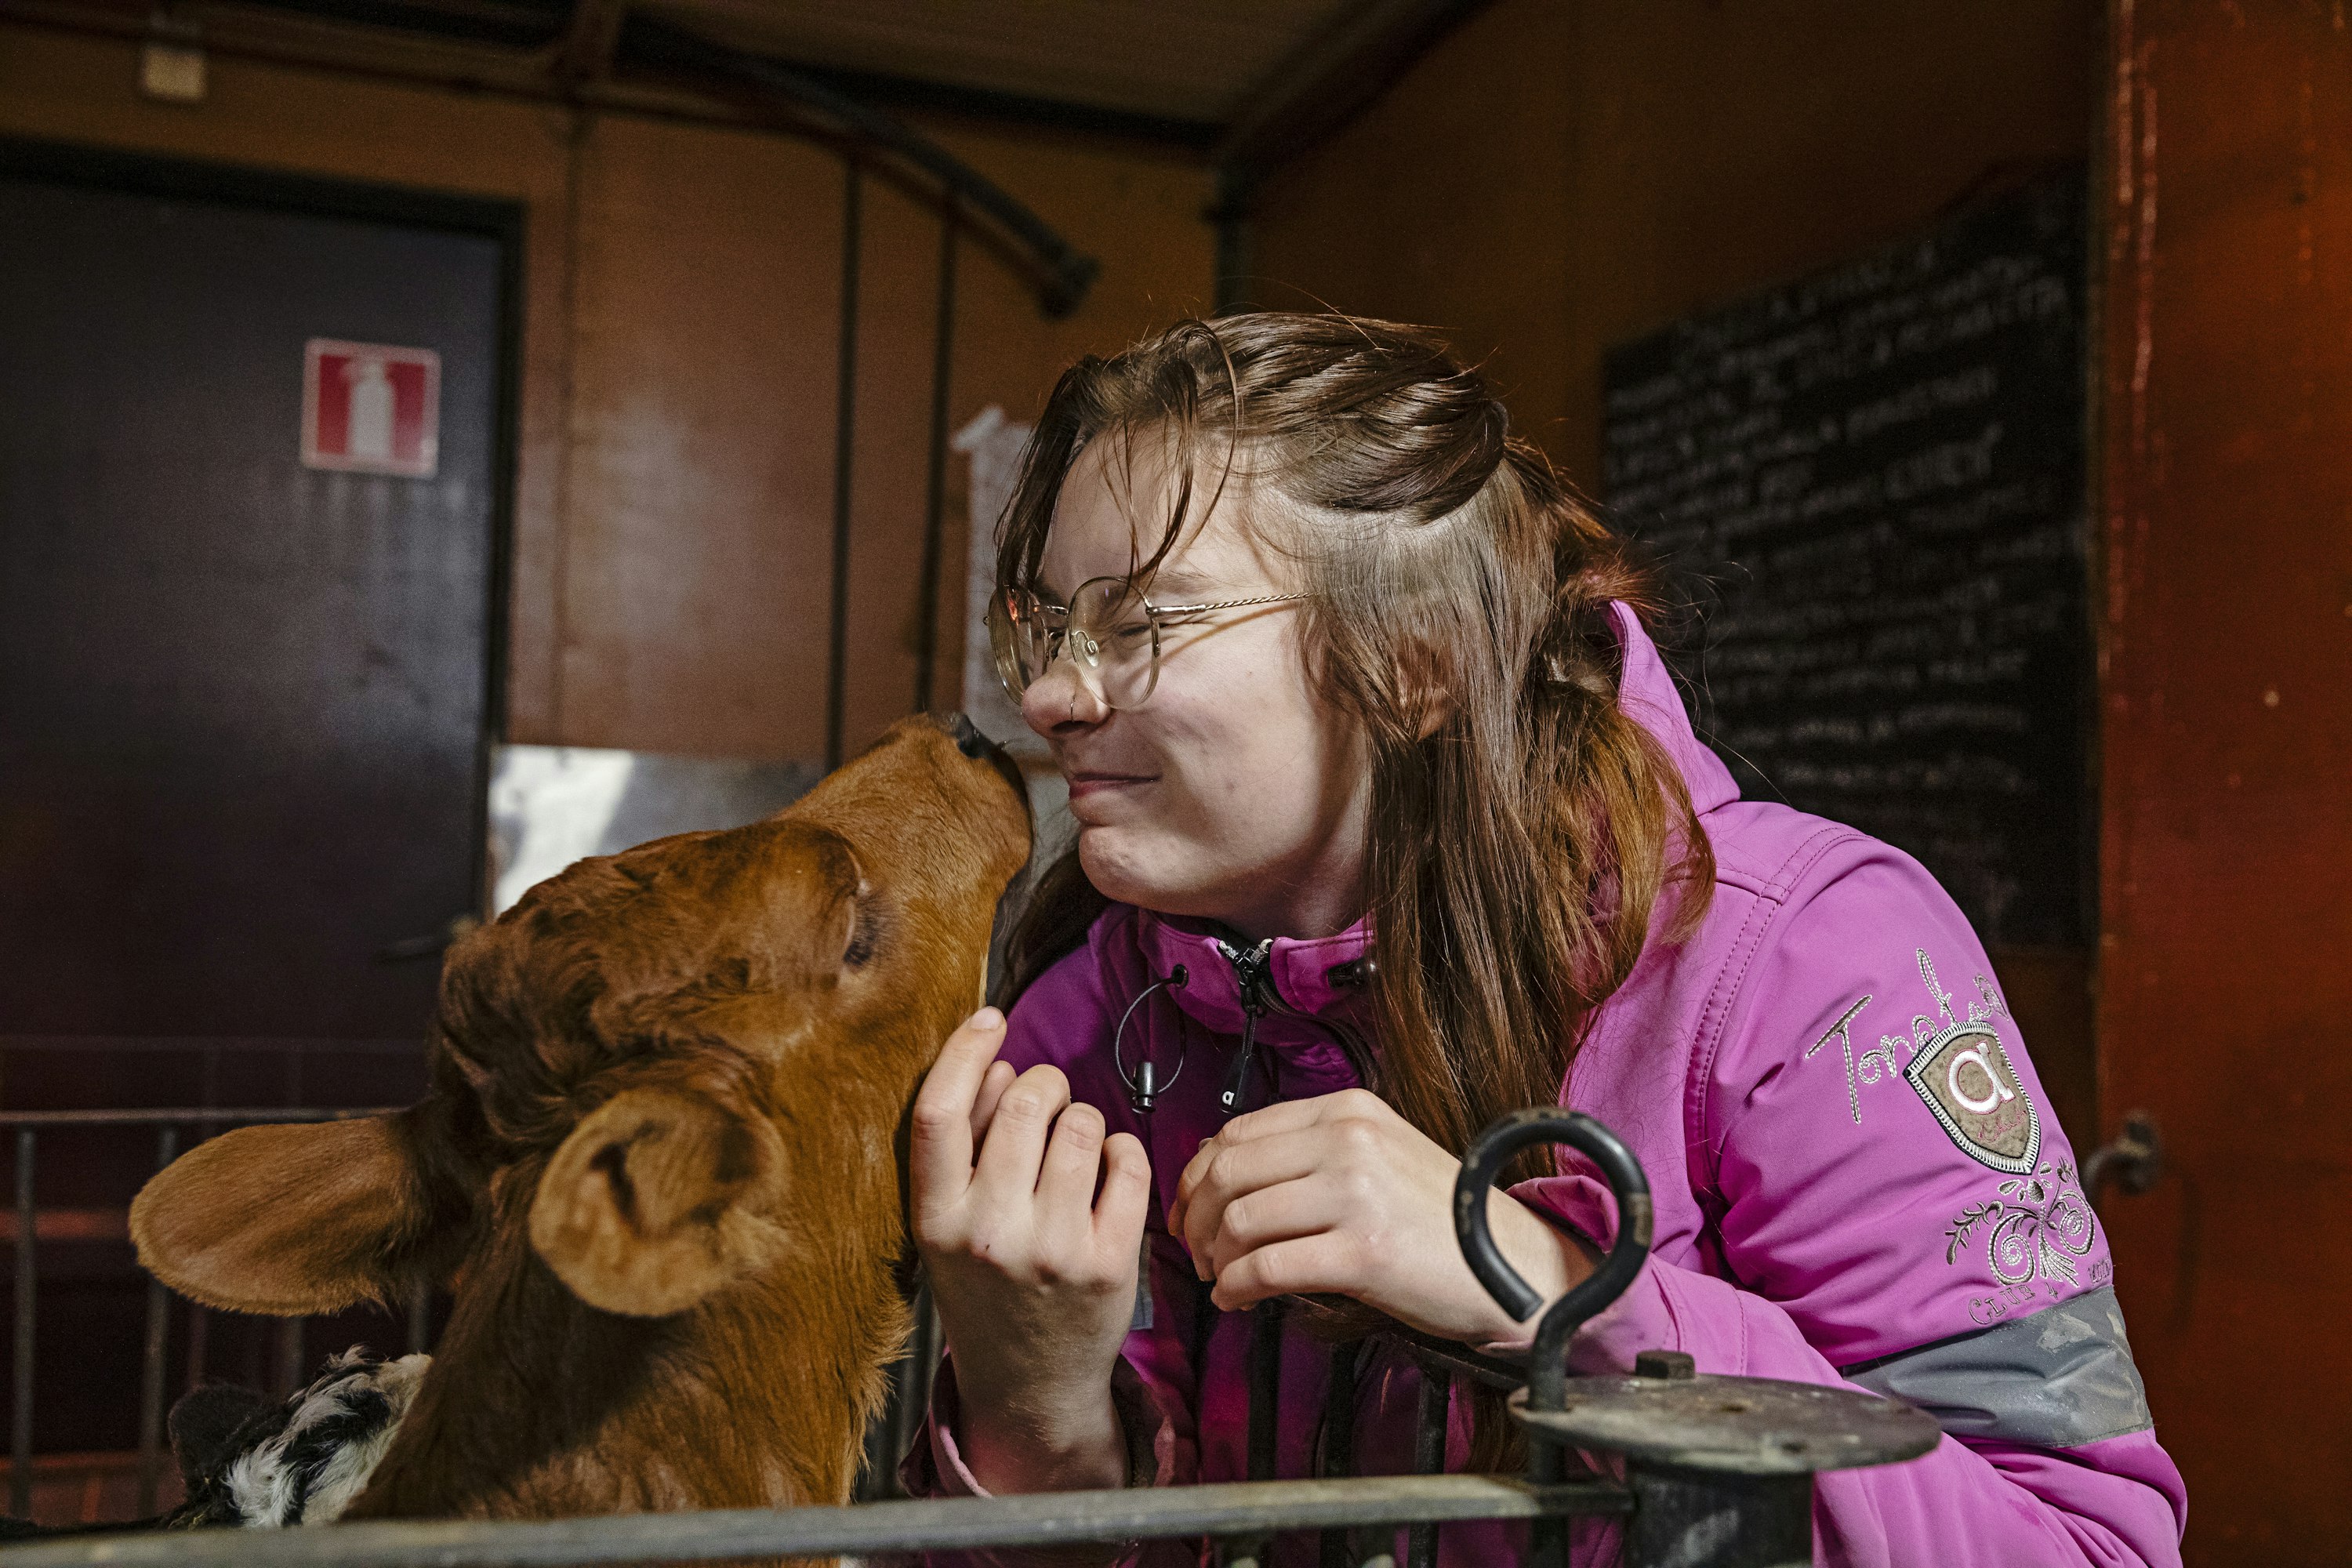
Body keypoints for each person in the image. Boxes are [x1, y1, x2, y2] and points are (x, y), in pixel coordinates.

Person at [902, 314, 2186, 1567]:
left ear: (1414, 664)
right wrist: (1035, 1413)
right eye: (1051, 628)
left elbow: (2081, 1546)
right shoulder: (1082, 1029)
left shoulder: (1807, 965)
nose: (1055, 697)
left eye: (1140, 625)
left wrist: (1549, 1289)